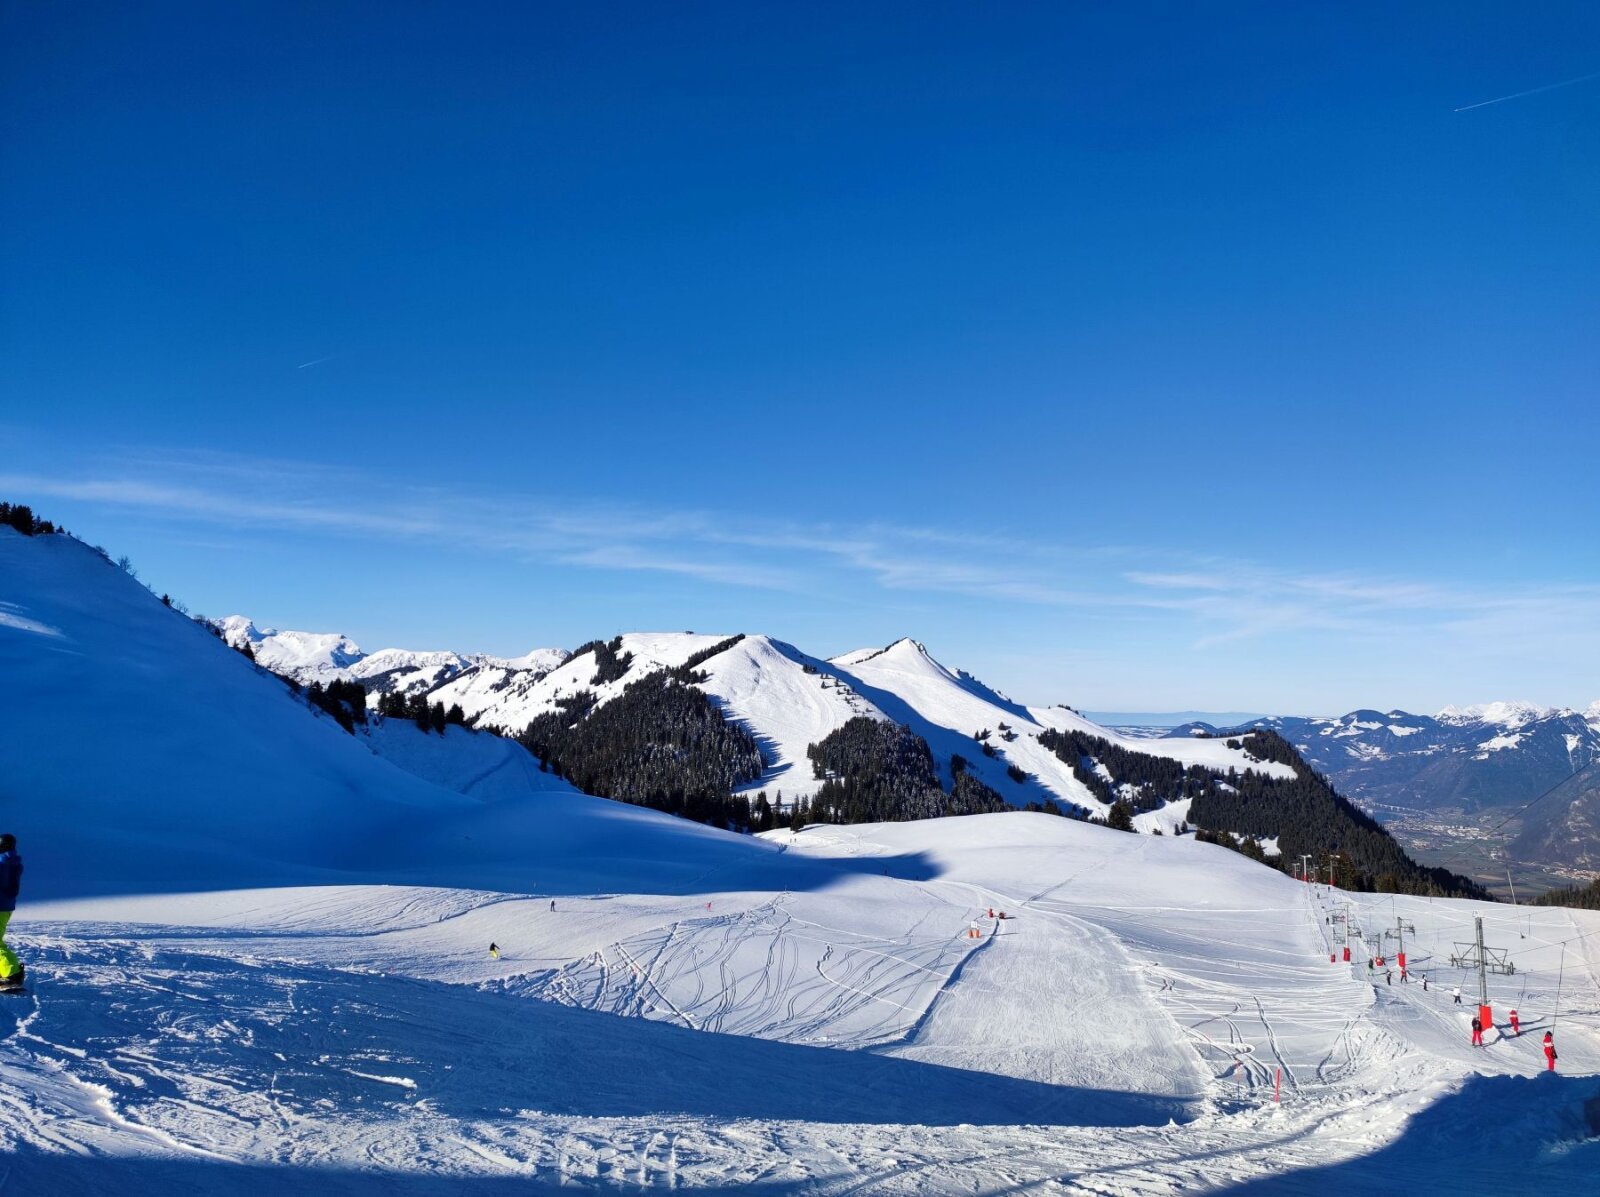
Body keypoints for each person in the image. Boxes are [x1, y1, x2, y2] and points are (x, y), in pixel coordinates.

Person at [0, 833, 22, 987]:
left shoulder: (2, 863)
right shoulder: (14, 862)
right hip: (6, 906)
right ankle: (8, 971)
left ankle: (12, 973)